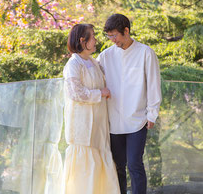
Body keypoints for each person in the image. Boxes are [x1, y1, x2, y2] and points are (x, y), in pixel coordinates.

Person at [97, 14, 162, 194]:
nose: (113, 40)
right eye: (109, 36)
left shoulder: (145, 52)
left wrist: (152, 113)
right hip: (113, 121)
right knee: (117, 167)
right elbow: (92, 78)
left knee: (134, 164)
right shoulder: (105, 56)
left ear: (126, 31)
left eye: (115, 36)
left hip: (138, 119)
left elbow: (153, 84)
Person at [63, 24, 120, 194]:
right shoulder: (73, 64)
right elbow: (76, 93)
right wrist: (100, 93)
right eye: (92, 37)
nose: (95, 40)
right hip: (82, 127)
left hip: (99, 126)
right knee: (85, 170)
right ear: (83, 40)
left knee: (100, 162)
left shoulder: (93, 62)